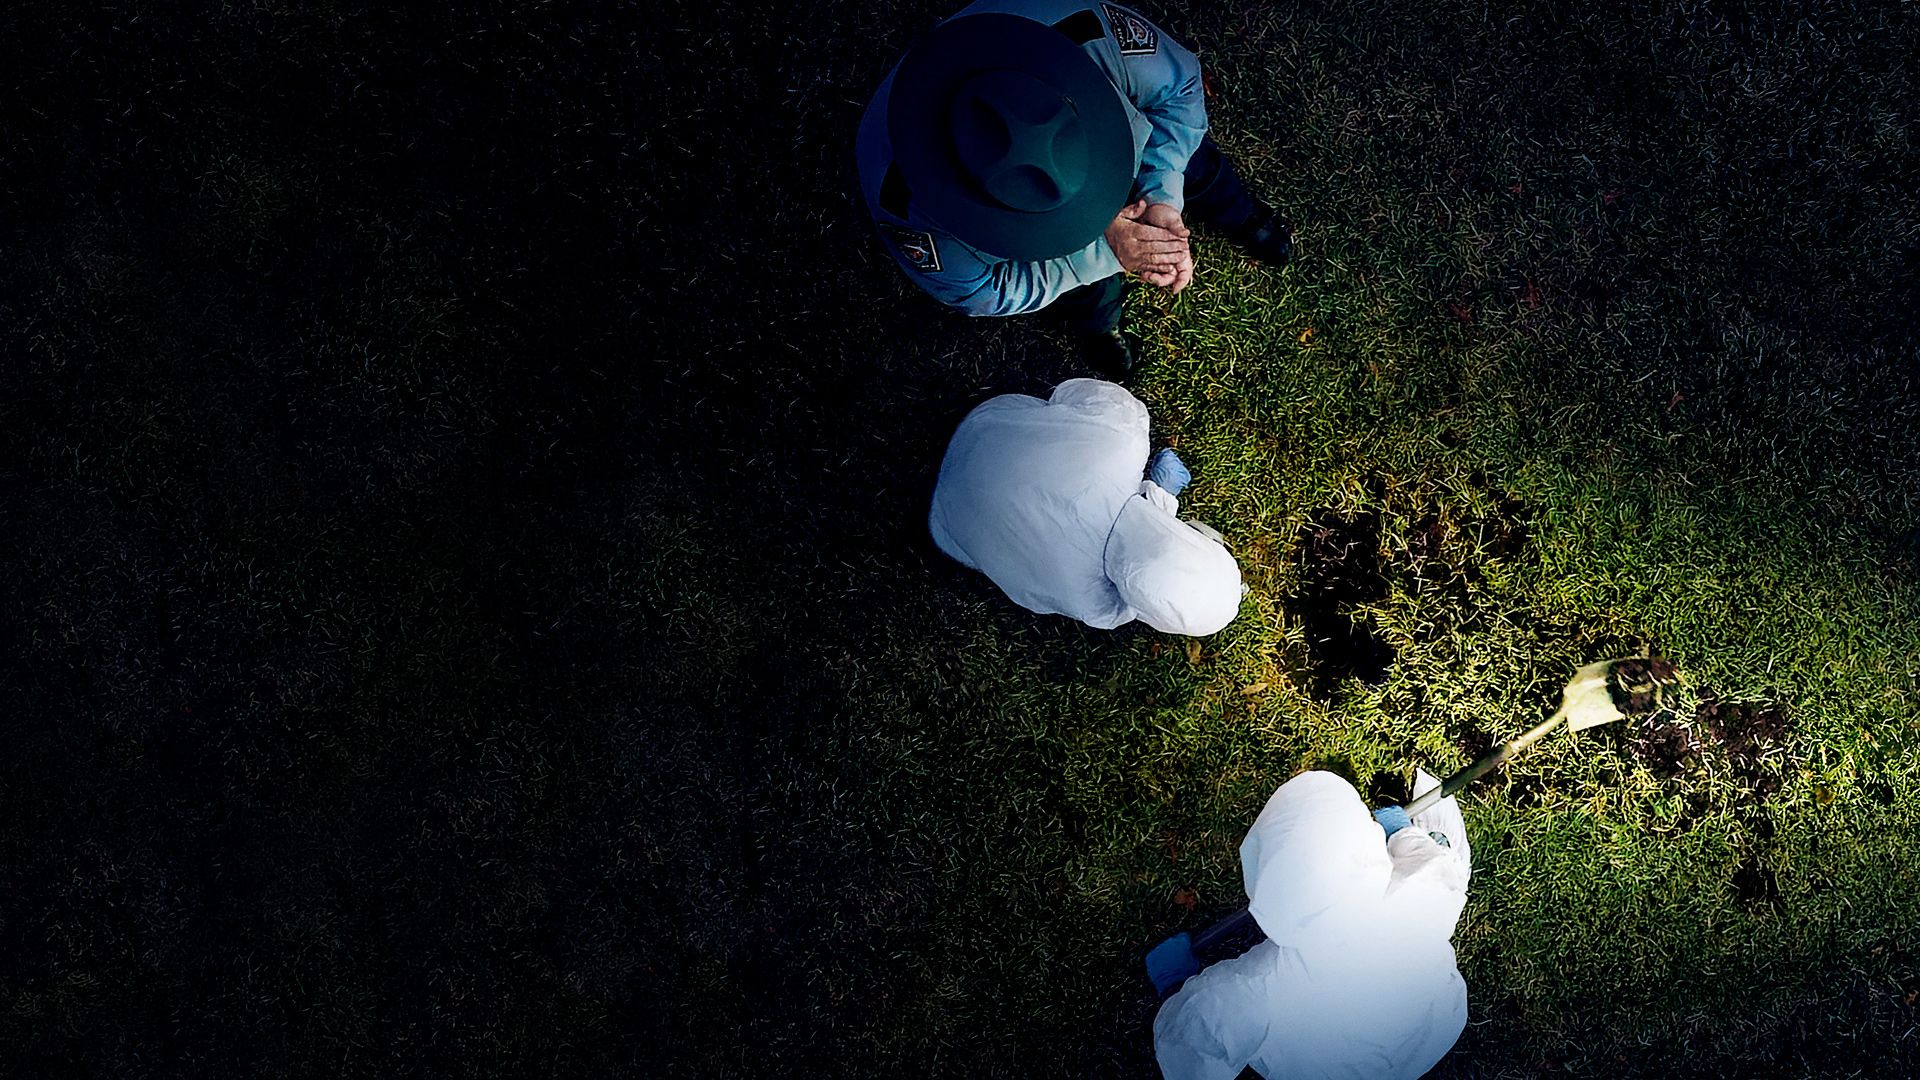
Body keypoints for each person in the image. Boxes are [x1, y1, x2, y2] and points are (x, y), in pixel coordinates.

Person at [857, 1, 1294, 375]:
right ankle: (1101, 324)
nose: (1103, 205)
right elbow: (985, 292)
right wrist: (1105, 254)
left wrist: (1162, 195)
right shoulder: (902, 203)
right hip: (1053, 250)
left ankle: (1243, 216)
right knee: (1085, 290)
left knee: (1197, 165)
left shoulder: (1085, 29)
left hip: (1124, 145)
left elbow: (1180, 86)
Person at [1153, 770, 1473, 1080]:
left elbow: (1195, 1046)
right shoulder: (1413, 900)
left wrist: (1174, 986)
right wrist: (1402, 831)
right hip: (1430, 1026)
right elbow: (1436, 872)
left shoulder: (1256, 989)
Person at [929, 378, 1241, 635]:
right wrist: (1160, 498)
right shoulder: (1096, 606)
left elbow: (1070, 392)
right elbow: (1137, 585)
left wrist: (1158, 494)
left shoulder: (1125, 437)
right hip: (950, 522)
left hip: (986, 428)